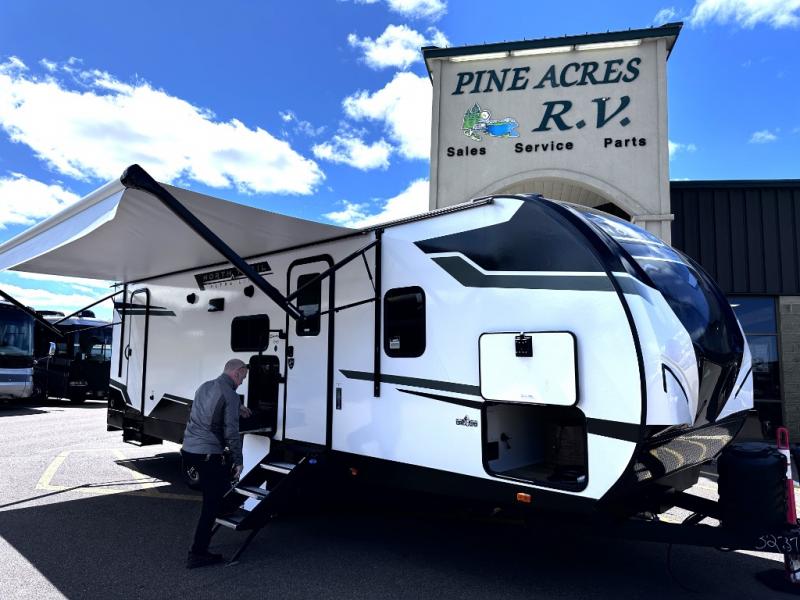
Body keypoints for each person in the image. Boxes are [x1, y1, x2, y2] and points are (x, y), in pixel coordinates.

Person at [181, 358, 249, 569]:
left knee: (219, 490)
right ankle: (197, 553)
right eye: (243, 377)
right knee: (210, 505)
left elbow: (209, 409)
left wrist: (238, 407)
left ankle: (222, 510)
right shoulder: (230, 395)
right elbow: (231, 432)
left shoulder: (205, 386)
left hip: (189, 450)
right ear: (237, 372)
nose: (242, 382)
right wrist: (238, 460)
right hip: (207, 454)